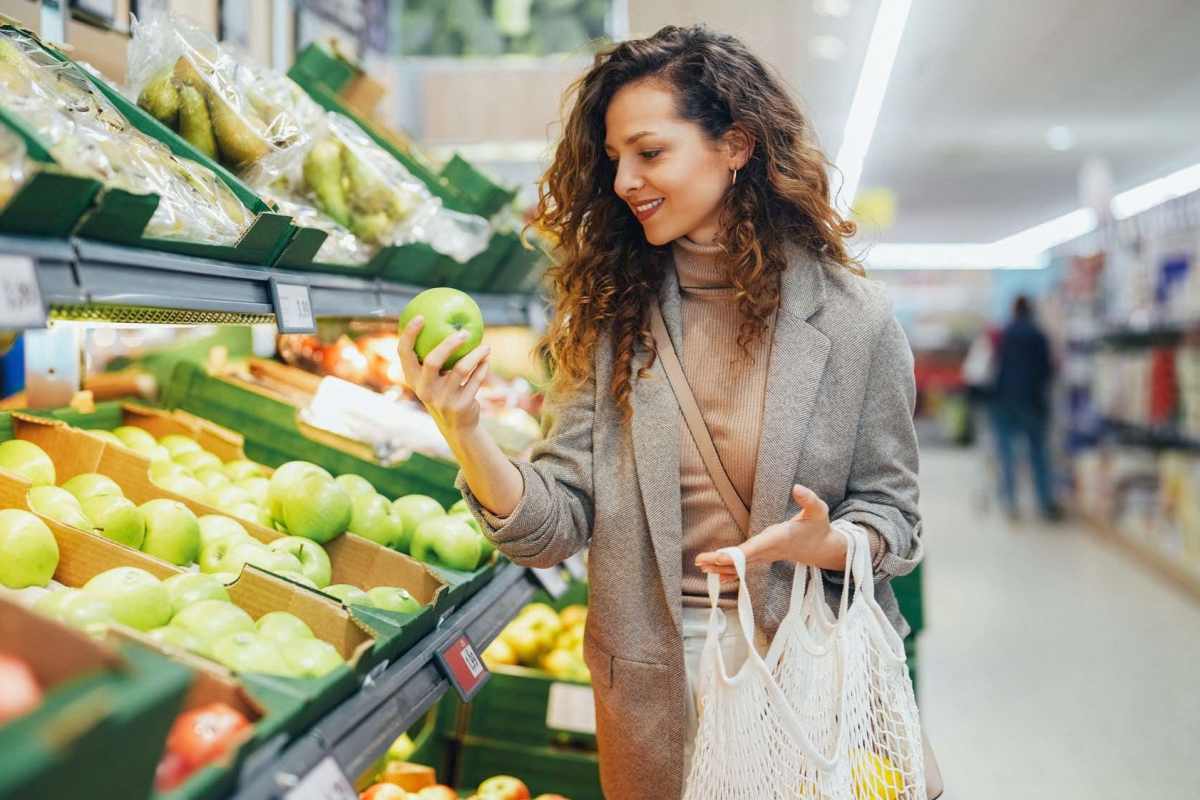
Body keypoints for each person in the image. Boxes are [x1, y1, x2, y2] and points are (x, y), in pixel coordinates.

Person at [398, 25, 922, 798]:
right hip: (652, 682)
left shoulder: (854, 320)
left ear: (735, 145)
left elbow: (895, 516)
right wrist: (465, 430)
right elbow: (553, 527)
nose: (624, 181)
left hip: (803, 670)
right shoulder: (609, 318)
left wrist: (833, 542)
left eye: (649, 152)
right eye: (614, 159)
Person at [990, 294, 1061, 521]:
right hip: (1032, 401)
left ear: (1014, 310)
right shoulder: (1039, 336)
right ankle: (1044, 502)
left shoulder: (1005, 334)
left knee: (1007, 454)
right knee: (1038, 454)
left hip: (1005, 400)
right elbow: (1047, 371)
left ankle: (1011, 503)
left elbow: (996, 366)